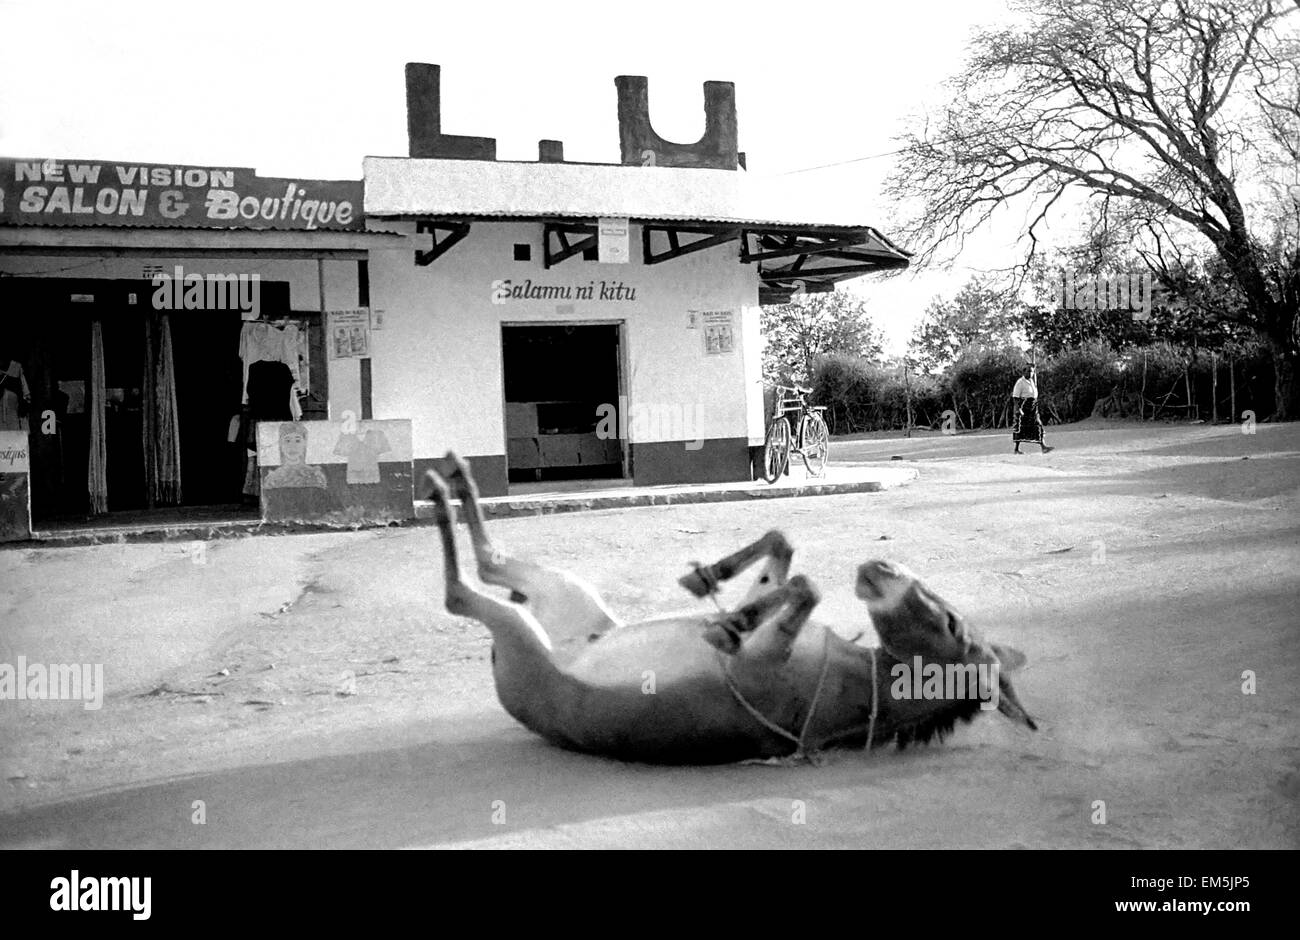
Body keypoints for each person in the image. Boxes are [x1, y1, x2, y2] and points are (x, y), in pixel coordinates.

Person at [1011, 366, 1053, 454]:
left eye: (1032, 372)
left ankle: (1043, 447)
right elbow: (1015, 398)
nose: (1030, 373)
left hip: (1033, 408)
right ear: (1024, 372)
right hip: (1024, 408)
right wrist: (1018, 409)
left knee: (1038, 425)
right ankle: (1016, 449)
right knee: (1021, 428)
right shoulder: (1020, 383)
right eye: (1029, 371)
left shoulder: (1032, 381)